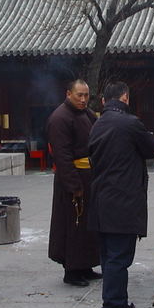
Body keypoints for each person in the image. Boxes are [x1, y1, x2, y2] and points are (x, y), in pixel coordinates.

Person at [88, 81, 154, 308]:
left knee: (109, 256)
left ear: (103, 101)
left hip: (101, 200)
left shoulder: (97, 124)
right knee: (119, 257)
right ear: (125, 98)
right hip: (122, 202)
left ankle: (116, 299)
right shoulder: (130, 123)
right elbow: (151, 149)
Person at [47, 79, 101, 287]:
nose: (83, 99)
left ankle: (86, 266)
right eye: (79, 95)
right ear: (68, 93)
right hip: (72, 179)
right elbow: (61, 156)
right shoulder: (59, 118)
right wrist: (74, 186)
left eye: (86, 95)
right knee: (73, 225)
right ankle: (72, 270)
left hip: (89, 176)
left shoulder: (86, 114)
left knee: (88, 226)